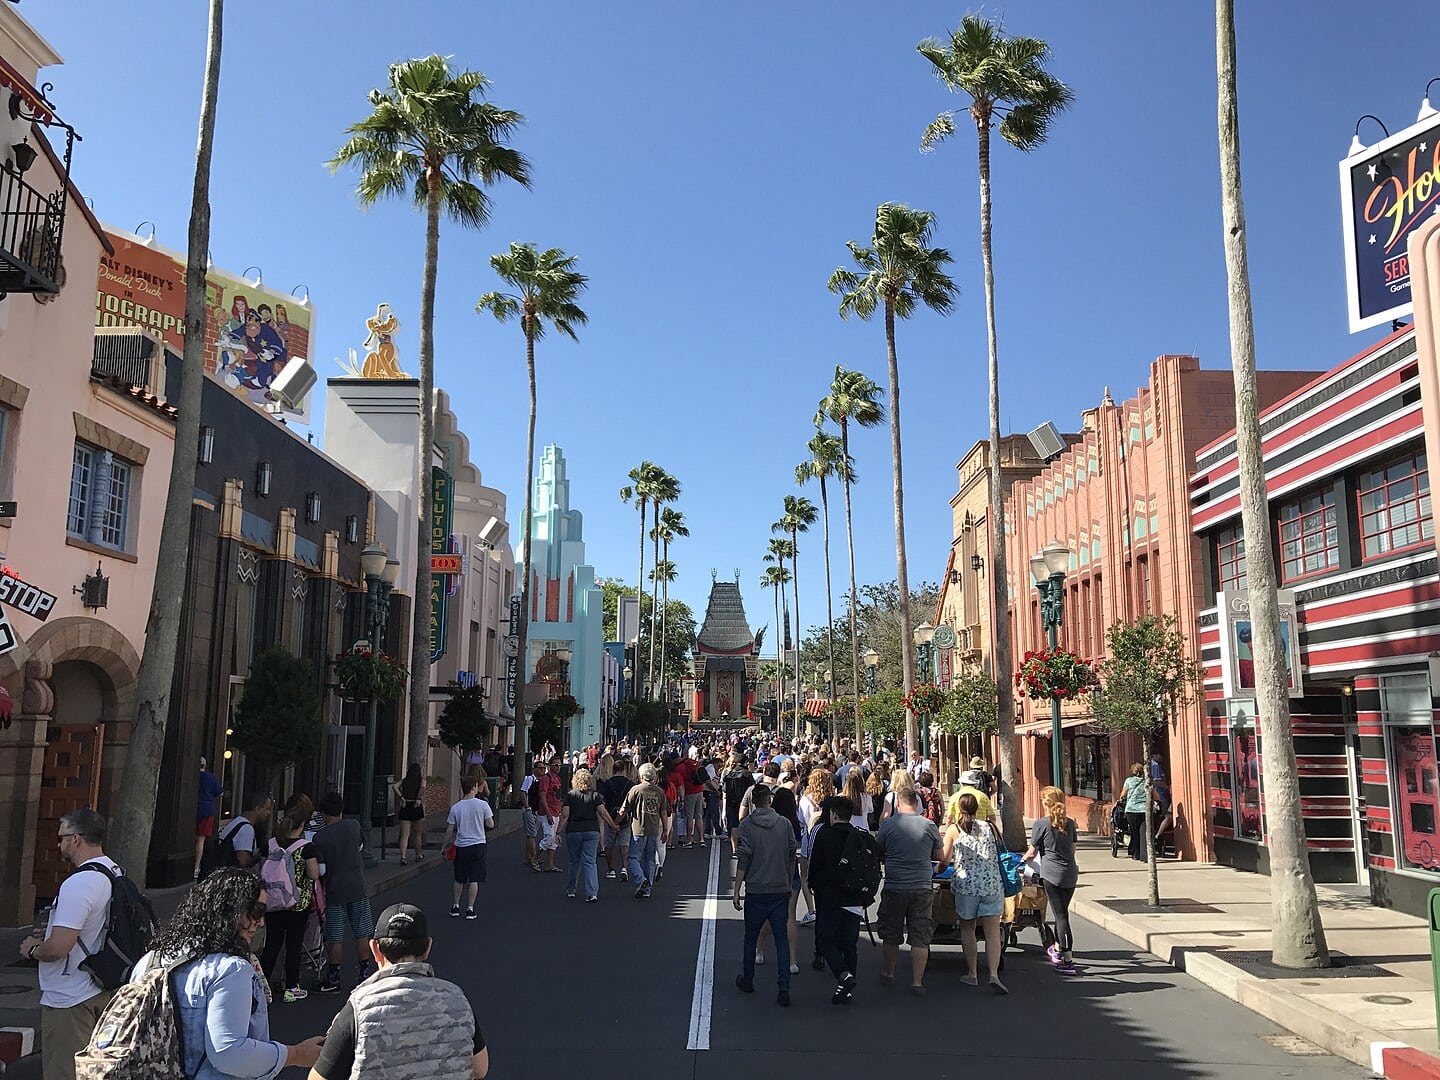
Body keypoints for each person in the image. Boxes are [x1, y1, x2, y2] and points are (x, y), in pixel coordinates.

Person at [129, 867, 325, 1079]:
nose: (260, 922)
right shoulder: (231, 969)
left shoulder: (151, 959)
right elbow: (229, 1053)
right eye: (256, 911)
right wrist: (295, 1054)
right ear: (230, 911)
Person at [19, 809, 128, 1080]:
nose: (59, 845)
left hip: (71, 997)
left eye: (62, 838)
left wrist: (33, 949)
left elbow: (58, 948)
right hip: (103, 985)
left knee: (65, 1073)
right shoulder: (115, 872)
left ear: (77, 839)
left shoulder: (80, 883)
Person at [733, 783, 798, 1006]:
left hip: (757, 888)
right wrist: (789, 882)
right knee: (781, 938)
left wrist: (736, 890)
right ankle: (784, 986)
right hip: (779, 887)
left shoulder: (747, 826)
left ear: (753, 801)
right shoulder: (784, 823)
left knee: (751, 936)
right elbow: (792, 854)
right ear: (769, 800)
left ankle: (748, 978)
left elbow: (743, 858)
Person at [876, 787, 943, 995]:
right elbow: (940, 855)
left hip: (895, 884)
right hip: (922, 884)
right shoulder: (928, 825)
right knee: (920, 934)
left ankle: (888, 972)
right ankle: (917, 981)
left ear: (898, 804)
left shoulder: (888, 825)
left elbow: (879, 851)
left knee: (891, 932)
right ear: (917, 804)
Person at [941, 792, 1007, 995]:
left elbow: (944, 859)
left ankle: (972, 973)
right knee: (992, 932)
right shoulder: (991, 827)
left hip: (967, 886)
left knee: (967, 929)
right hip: (992, 885)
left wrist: (937, 869)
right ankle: (994, 974)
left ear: (959, 809)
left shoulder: (954, 829)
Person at [311, 792, 375, 993]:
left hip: (335, 889)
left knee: (335, 936)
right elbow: (361, 846)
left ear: (323, 813)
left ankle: (334, 977)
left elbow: (321, 870)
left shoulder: (320, 837)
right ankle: (365, 972)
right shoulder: (354, 826)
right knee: (362, 931)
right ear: (341, 809)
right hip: (357, 886)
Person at [806, 796, 865, 1005]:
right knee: (850, 943)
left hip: (830, 894)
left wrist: (813, 884)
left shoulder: (824, 834)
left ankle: (843, 975)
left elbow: (815, 865)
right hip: (855, 895)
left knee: (826, 937)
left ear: (832, 814)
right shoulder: (859, 837)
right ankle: (848, 986)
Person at [259, 809, 320, 1003]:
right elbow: (313, 874)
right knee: (293, 945)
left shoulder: (271, 844)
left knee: (271, 945)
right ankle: (291, 987)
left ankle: (262, 985)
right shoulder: (306, 847)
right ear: (301, 826)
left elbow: (263, 869)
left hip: (273, 901)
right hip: (297, 903)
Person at [1026, 785, 1080, 975]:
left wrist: (1021, 861)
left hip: (1051, 873)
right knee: (1063, 912)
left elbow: (1032, 853)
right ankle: (1057, 948)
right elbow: (1073, 850)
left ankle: (1067, 959)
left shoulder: (1041, 824)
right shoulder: (1071, 823)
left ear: (1046, 803)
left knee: (1060, 915)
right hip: (1070, 873)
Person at [558, 768, 618, 902]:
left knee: (574, 861)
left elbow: (565, 815)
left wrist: (558, 831)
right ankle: (592, 893)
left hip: (574, 829)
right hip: (591, 829)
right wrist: (613, 825)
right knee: (590, 862)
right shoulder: (595, 796)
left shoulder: (571, 795)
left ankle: (571, 890)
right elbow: (603, 813)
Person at [443, 775, 495, 919]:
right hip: (478, 844)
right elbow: (490, 824)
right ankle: (470, 908)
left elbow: (449, 829)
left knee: (459, 878)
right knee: (474, 878)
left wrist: (444, 846)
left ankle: (455, 906)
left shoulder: (456, 807)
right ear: (474, 788)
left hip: (461, 845)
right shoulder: (483, 805)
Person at [619, 762, 671, 898]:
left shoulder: (635, 790)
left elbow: (624, 809)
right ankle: (648, 888)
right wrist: (666, 830)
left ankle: (641, 880)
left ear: (641, 776)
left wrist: (615, 823)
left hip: (638, 828)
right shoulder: (659, 792)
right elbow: (664, 813)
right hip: (653, 829)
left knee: (633, 858)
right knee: (650, 860)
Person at [216, 791, 274, 871]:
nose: (269, 813)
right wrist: (260, 857)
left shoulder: (237, 822)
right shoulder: (246, 829)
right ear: (257, 808)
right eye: (267, 809)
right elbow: (243, 861)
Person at [600, 756, 636, 880]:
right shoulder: (630, 784)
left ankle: (611, 869)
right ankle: (624, 867)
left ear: (613, 769)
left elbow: (602, 801)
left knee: (609, 844)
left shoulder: (607, 783)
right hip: (625, 818)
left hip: (610, 816)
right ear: (624, 770)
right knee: (624, 844)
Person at [527, 760, 562, 873]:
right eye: (555, 765)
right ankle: (535, 857)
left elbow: (558, 796)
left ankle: (550, 864)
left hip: (556, 811)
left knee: (553, 841)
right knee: (549, 837)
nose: (557, 767)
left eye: (559, 765)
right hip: (547, 812)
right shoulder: (546, 779)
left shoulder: (558, 778)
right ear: (550, 766)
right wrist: (548, 813)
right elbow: (542, 797)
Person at [194, 758, 225, 880]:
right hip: (207, 810)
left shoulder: (194, 777)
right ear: (205, 765)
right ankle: (196, 866)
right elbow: (221, 792)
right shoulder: (210, 778)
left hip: (193, 809)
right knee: (201, 839)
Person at [393, 763, 427, 865]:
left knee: (405, 835)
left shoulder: (405, 781)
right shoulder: (421, 781)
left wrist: (401, 797)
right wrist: (418, 798)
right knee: (417, 834)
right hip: (416, 806)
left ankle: (403, 857)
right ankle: (418, 854)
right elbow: (423, 788)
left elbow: (395, 786)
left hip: (405, 805)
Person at [1119, 763, 1149, 862]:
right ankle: (1144, 855)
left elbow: (1123, 795)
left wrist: (1123, 798)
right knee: (1144, 833)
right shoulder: (1146, 782)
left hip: (1131, 810)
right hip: (1144, 810)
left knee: (1134, 832)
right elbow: (1155, 795)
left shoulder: (1128, 781)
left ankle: (1136, 853)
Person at [681, 748, 708, 847]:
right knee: (699, 816)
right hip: (699, 790)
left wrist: (682, 798)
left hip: (690, 792)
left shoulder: (683, 766)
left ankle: (689, 839)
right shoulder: (696, 763)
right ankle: (701, 839)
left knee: (689, 817)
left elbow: (681, 784)